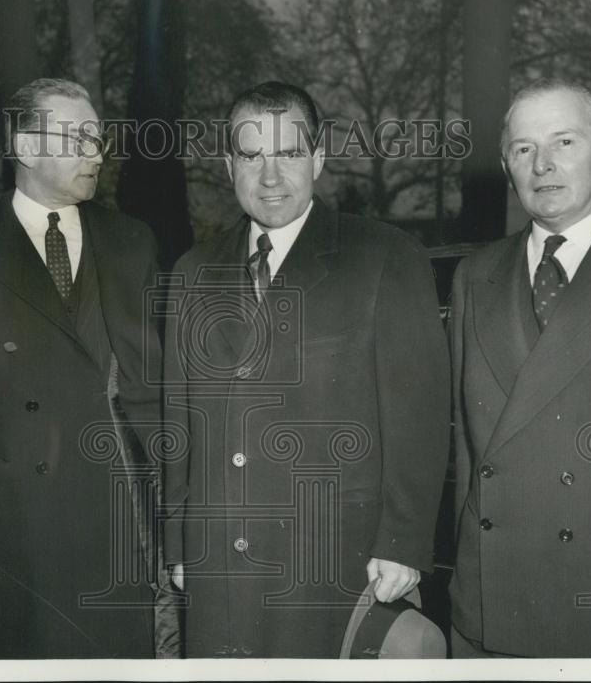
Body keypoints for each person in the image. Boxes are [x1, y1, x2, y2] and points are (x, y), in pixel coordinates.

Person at [162, 81, 450, 657]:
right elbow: (180, 421)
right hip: (218, 565)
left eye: (289, 154)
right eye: (252, 156)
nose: (270, 177)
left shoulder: (383, 257)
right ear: (229, 165)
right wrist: (179, 545)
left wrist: (403, 541)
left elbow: (419, 412)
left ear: (318, 158)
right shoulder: (193, 270)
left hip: (332, 562)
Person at [448, 78, 591, 657]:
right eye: (523, 148)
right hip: (490, 607)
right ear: (506, 165)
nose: (543, 165)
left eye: (565, 142)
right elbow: (465, 451)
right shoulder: (474, 276)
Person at [0, 78, 162, 658]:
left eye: (97, 139)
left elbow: (156, 386)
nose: (95, 153)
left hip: (118, 512)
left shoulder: (132, 242)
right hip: (10, 521)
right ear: (24, 148)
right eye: (76, 138)